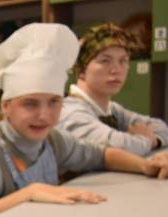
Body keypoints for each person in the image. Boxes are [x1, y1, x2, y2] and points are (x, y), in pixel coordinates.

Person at [0, 23, 168, 217]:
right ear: (5, 105)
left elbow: (102, 155)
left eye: (54, 102)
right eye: (30, 104)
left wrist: (145, 166)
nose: (44, 115)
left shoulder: (52, 140)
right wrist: (30, 192)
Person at [58, 23, 168, 156]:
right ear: (81, 70)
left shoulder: (110, 109)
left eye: (123, 61)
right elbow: (117, 147)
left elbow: (160, 126)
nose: (116, 70)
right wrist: (146, 139)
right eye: (105, 61)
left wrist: (154, 140)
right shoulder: (70, 113)